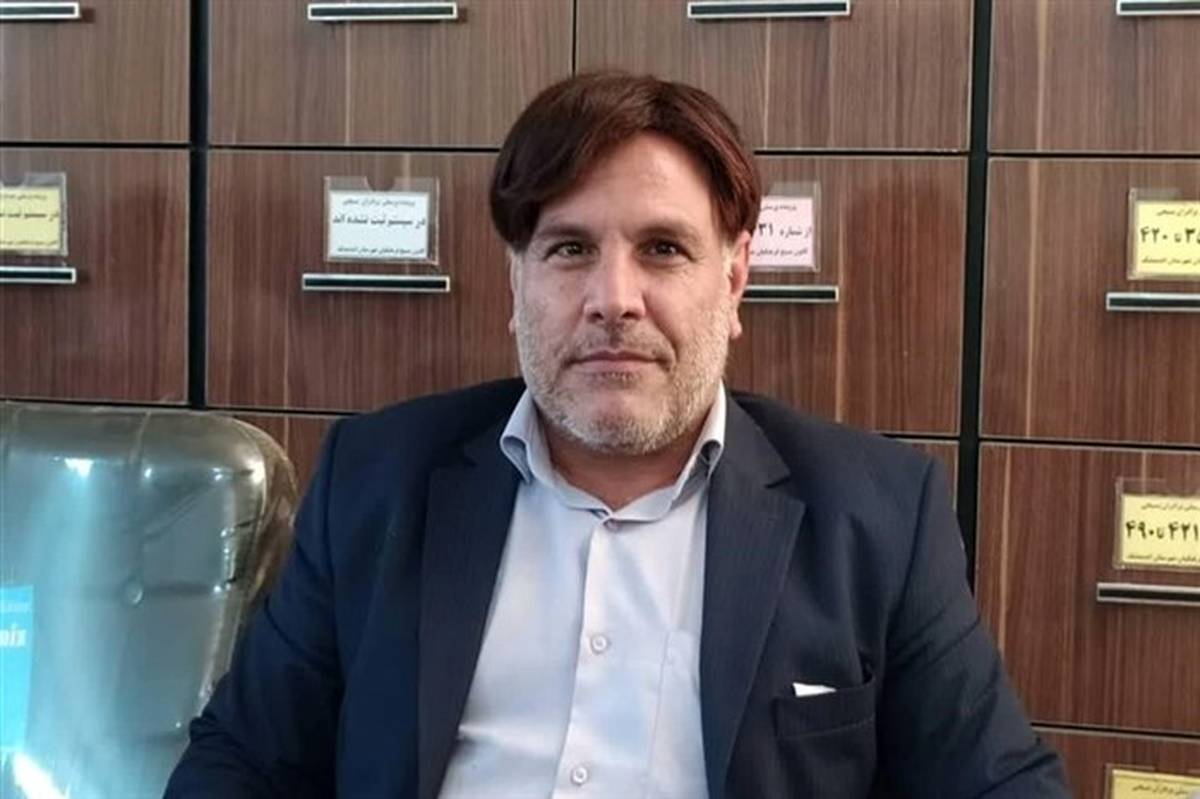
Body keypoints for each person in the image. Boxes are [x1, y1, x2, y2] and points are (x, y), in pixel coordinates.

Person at [166, 72, 1069, 798]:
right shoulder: (377, 480)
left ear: (735, 279)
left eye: (663, 249)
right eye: (569, 249)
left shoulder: (876, 517)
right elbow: (242, 761)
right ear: (517, 281)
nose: (613, 299)